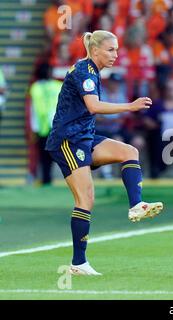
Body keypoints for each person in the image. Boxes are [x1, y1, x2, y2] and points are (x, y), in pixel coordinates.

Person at [45, 30, 164, 276]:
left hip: (85, 137)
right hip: (68, 140)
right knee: (86, 199)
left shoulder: (92, 71)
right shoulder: (84, 72)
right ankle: (78, 264)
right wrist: (129, 107)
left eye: (117, 49)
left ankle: (136, 205)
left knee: (129, 151)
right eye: (111, 50)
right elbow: (94, 106)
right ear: (95, 50)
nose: (116, 54)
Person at [29, 63, 62, 185]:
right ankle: (46, 180)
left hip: (51, 127)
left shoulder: (36, 87)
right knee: (46, 157)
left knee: (50, 156)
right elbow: (34, 109)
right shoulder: (56, 86)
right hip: (48, 128)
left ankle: (49, 179)